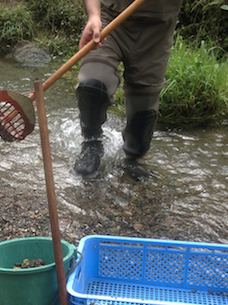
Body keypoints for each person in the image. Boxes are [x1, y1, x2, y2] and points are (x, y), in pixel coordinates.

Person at [74, 0, 183, 177]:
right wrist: (93, 16)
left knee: (144, 115)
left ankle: (134, 159)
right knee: (93, 85)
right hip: (110, 19)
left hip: (158, 30)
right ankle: (91, 143)